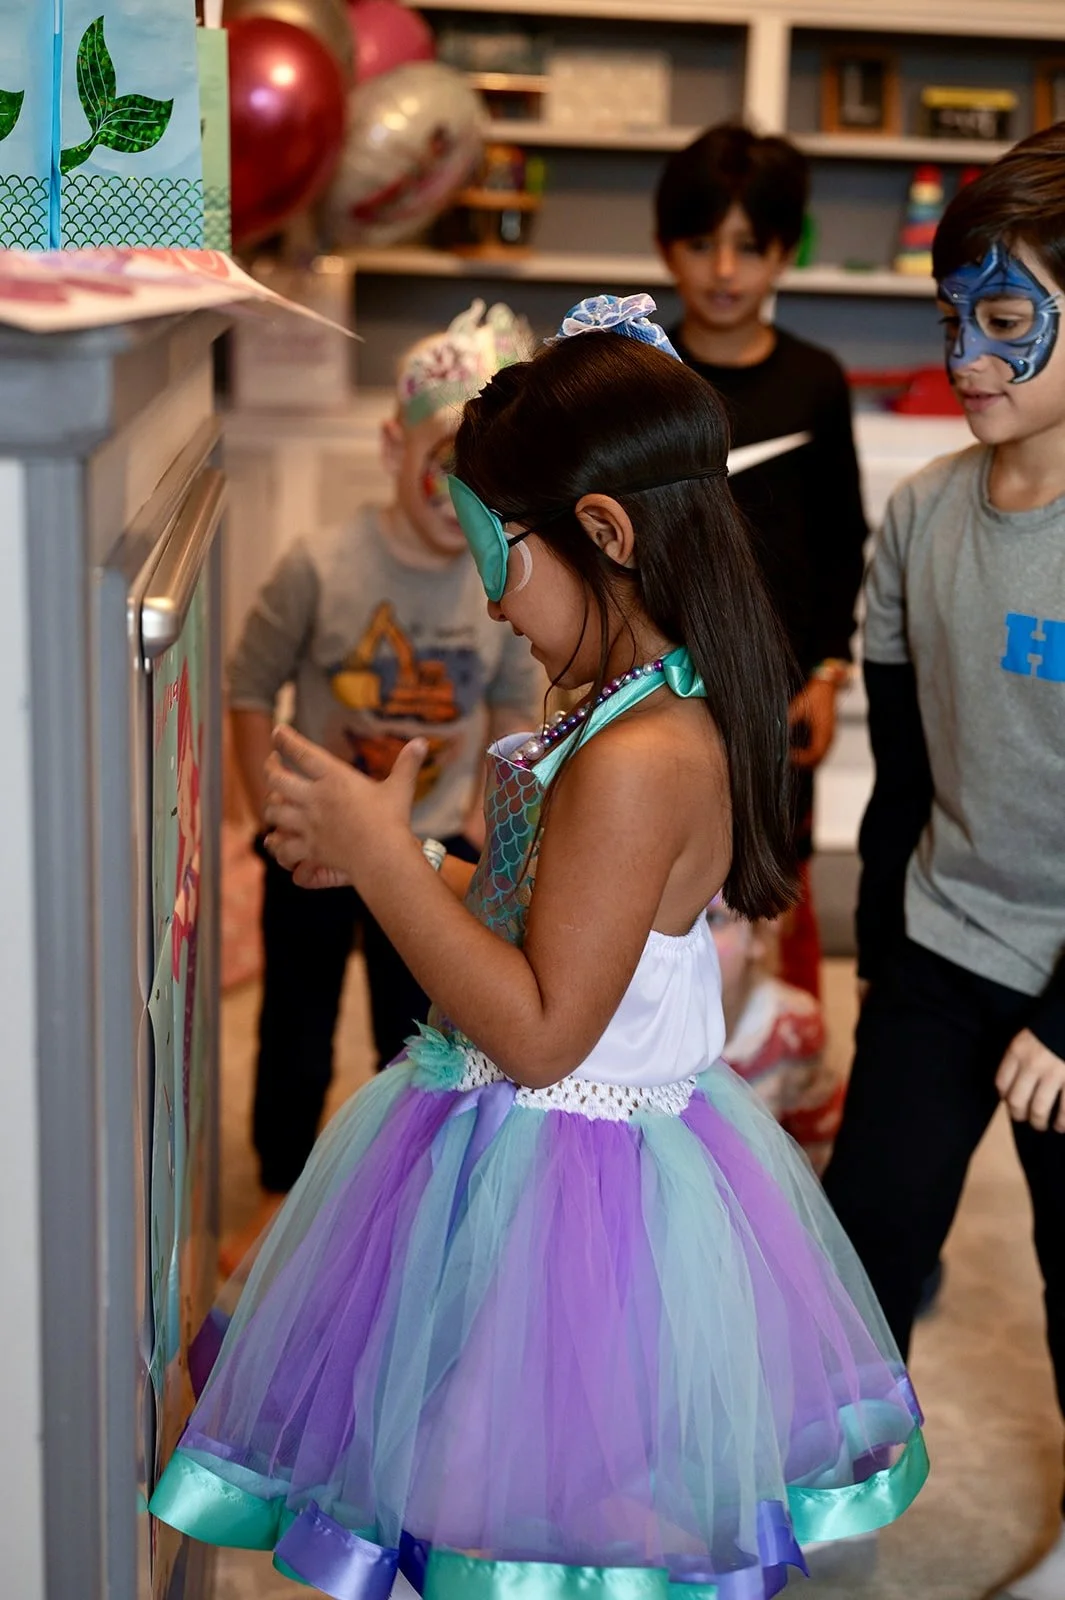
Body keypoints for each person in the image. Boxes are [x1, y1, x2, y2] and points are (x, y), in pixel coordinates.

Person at [150, 294, 926, 1597]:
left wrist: (390, 866)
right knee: (460, 1462)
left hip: (577, 1182)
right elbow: (560, 904)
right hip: (512, 1146)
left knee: (521, 1497)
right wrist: (417, 857)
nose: (490, 596)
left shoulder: (640, 755)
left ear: (604, 532)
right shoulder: (629, 706)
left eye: (497, 548)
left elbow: (542, 1024)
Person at [821, 127, 1065, 1600]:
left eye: (1008, 318)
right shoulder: (918, 518)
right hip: (943, 944)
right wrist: (891, 969)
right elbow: (905, 772)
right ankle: (819, 1504)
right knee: (861, 1247)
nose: (967, 354)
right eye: (949, 317)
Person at [224, 301, 541, 1267]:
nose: (460, 490)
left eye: (487, 472)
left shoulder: (504, 590)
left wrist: (495, 849)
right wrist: (267, 813)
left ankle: (400, 1193)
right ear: (391, 445)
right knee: (295, 1023)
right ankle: (282, 1186)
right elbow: (246, 686)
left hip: (431, 856)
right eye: (444, 458)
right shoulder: (320, 566)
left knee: (419, 1034)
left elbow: (511, 720)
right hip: (316, 850)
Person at [655, 123, 867, 997]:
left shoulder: (816, 380)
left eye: (751, 246)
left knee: (769, 890)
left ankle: (773, 1076)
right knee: (663, 877)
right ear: (668, 249)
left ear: (784, 253)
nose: (725, 271)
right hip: (664, 688)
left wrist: (824, 671)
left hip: (780, 699)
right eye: (703, 245)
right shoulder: (646, 373)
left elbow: (841, 541)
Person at [709, 897, 845, 1176]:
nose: (691, 940)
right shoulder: (638, 1024)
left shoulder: (792, 1030)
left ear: (759, 933)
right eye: (679, 919)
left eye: (713, 919)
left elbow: (819, 1150)